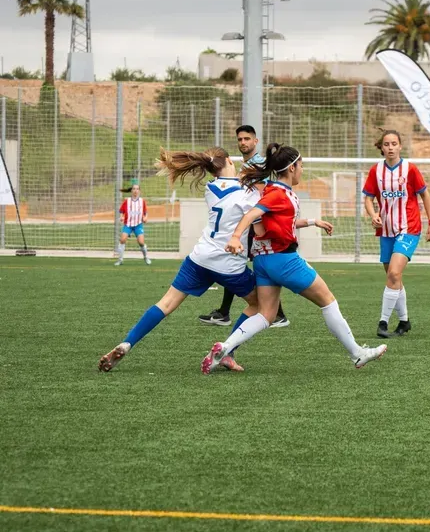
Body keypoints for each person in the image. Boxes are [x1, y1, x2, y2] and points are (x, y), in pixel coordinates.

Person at [200, 143, 388, 374]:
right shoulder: (278, 194)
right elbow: (252, 214)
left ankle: (225, 347)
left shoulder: (273, 190)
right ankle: (358, 354)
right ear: (291, 168)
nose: (302, 170)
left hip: (264, 261)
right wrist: (236, 236)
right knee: (328, 300)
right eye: (301, 165)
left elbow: (278, 221)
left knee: (267, 314)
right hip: (284, 260)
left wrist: (312, 222)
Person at [98, 148, 262, 373]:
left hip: (199, 258)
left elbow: (229, 186)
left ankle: (128, 342)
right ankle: (228, 351)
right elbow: (260, 213)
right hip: (228, 264)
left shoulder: (211, 188)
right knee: (261, 305)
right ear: (229, 162)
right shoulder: (248, 194)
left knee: (165, 304)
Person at [198, 124, 290, 330]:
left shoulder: (257, 164)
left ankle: (277, 314)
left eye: (247, 139)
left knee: (251, 264)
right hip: (249, 223)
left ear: (255, 142)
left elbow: (260, 193)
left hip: (256, 223)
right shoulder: (244, 166)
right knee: (236, 263)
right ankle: (226, 312)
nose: (243, 143)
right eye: (240, 139)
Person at [363, 129, 430, 339]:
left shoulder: (410, 169)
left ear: (400, 146)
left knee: (394, 273)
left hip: (409, 228)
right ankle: (404, 321)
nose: (390, 148)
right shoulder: (375, 171)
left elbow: (426, 195)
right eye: (386, 144)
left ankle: (382, 323)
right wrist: (373, 214)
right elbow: (368, 198)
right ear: (382, 147)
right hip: (386, 230)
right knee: (392, 277)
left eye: (394, 144)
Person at [115, 181, 151, 266]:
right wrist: (121, 217)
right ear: (131, 191)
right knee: (122, 240)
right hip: (128, 224)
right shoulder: (127, 201)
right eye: (134, 189)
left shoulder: (142, 201)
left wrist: (146, 218)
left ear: (139, 191)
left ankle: (146, 257)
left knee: (141, 242)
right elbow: (121, 211)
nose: (135, 191)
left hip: (138, 224)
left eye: (137, 189)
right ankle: (120, 260)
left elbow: (146, 212)